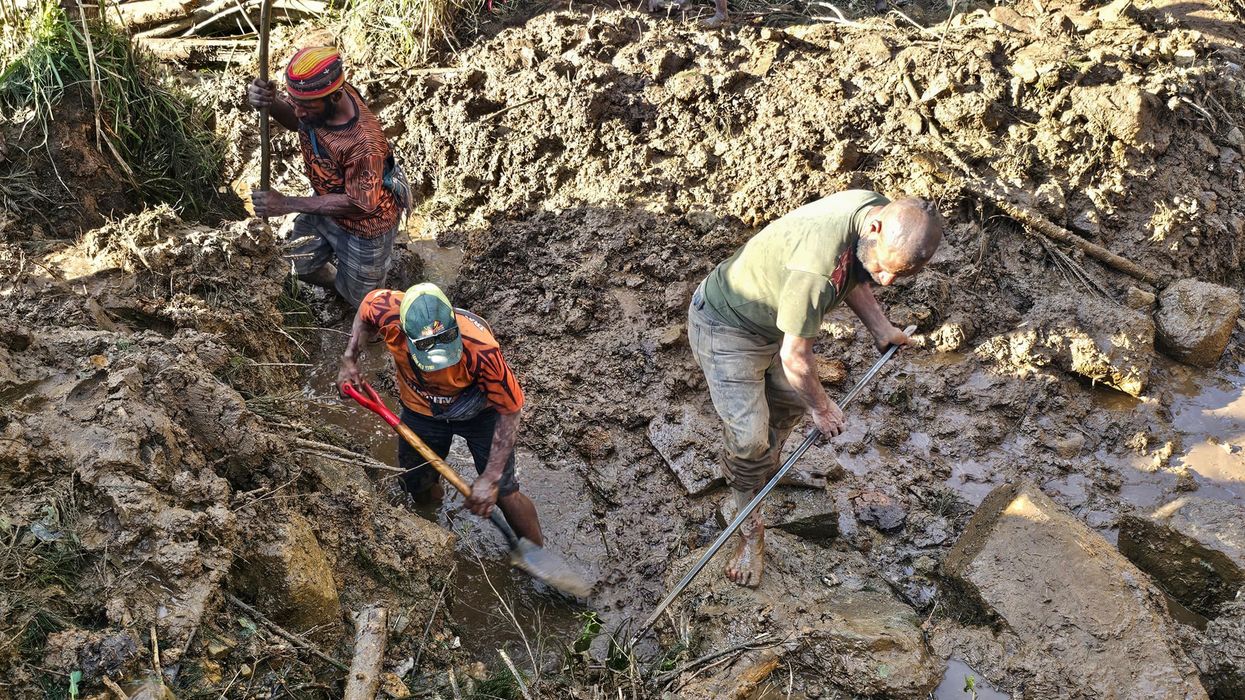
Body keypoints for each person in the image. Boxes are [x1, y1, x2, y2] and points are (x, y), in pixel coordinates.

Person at [688, 190, 943, 587]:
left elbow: (853, 274)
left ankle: (763, 471)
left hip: (773, 321)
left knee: (790, 401)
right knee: (749, 437)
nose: (887, 280)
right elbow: (796, 358)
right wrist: (823, 409)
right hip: (726, 326)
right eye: (884, 268)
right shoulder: (818, 268)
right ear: (875, 227)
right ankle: (748, 528)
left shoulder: (873, 216)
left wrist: (881, 328)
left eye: (899, 275)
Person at [338, 283, 544, 545]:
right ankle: (431, 525)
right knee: (417, 481)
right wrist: (349, 359)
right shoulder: (385, 310)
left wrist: (490, 477)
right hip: (421, 409)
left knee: (504, 492)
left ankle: (537, 553)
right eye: (426, 347)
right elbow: (364, 310)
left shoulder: (481, 349)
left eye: (446, 342)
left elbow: (511, 411)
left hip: (480, 413)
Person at [245, 46, 410, 307]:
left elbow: (360, 203)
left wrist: (286, 204)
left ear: (335, 97)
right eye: (293, 101)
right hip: (327, 202)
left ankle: (364, 313)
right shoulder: (320, 105)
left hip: (365, 224)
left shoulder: (363, 144)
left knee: (365, 302)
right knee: (298, 262)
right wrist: (271, 102)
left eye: (305, 107)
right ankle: (340, 286)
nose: (298, 112)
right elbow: (296, 120)